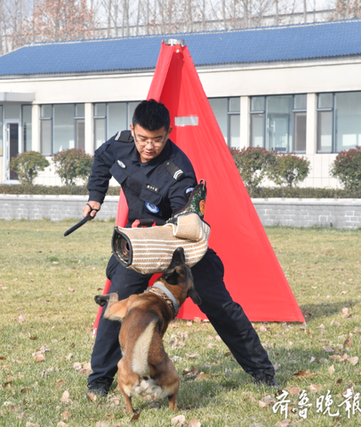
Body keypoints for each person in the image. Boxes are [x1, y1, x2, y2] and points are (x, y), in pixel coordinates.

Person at [84, 99, 277, 397]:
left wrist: (161, 239)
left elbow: (183, 223)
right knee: (118, 303)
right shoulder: (121, 144)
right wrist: (95, 195)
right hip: (138, 244)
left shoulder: (178, 171)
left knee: (220, 306)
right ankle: (99, 381)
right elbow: (101, 159)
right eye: (143, 139)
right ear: (132, 130)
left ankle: (262, 372)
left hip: (178, 244)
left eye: (158, 139)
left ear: (169, 133)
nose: (149, 146)